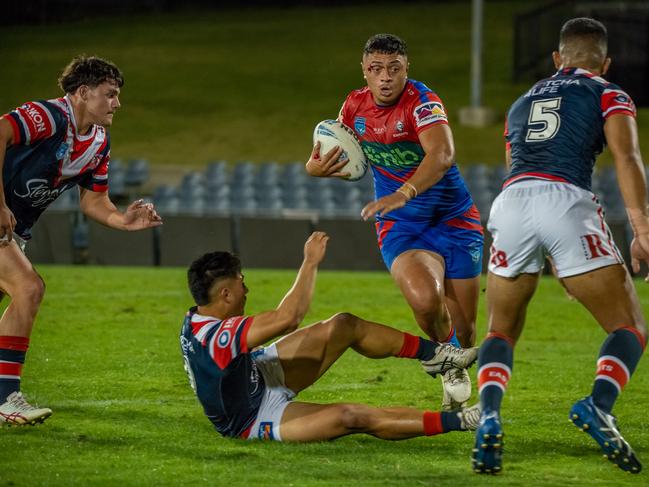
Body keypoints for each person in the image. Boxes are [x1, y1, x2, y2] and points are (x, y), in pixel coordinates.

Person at [472, 18, 647, 474]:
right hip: (565, 199)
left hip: (509, 204)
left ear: (556, 60)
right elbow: (626, 157)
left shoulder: (518, 103)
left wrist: (550, 251)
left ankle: (489, 414)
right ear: (605, 63)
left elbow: (518, 166)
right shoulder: (608, 92)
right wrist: (642, 229)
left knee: (500, 330)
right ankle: (599, 405)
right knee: (628, 328)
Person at [305, 34, 484, 410]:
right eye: (376, 69)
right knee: (424, 300)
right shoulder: (353, 107)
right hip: (401, 224)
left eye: (394, 69)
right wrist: (314, 168)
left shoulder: (422, 102)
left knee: (465, 329)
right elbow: (329, 153)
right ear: (364, 72)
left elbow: (444, 153)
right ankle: (450, 365)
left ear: (406, 69)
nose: (385, 77)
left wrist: (403, 192)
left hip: (454, 219)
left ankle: (456, 358)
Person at [180, 231, 481, 442]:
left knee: (343, 325)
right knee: (352, 418)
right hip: (252, 417)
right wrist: (310, 262)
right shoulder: (218, 337)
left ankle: (436, 355)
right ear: (225, 294)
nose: (246, 289)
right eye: (241, 282)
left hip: (256, 372)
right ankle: (464, 420)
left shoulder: (196, 319)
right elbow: (289, 318)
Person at [0, 55, 162, 426]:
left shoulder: (99, 143)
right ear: (83, 92)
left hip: (14, 232)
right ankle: (6, 398)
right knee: (29, 288)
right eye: (110, 94)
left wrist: (123, 220)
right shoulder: (48, 116)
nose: (117, 104)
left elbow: (93, 201)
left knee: (20, 293)